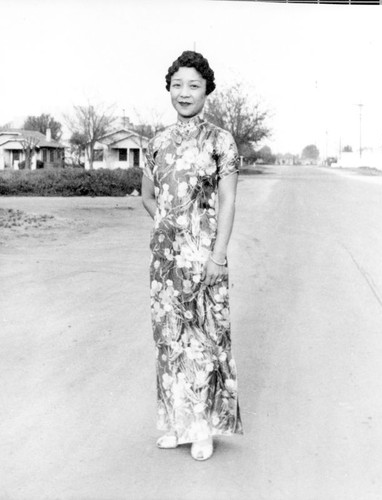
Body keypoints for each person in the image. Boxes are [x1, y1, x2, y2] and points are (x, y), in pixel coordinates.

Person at [142, 50, 243, 461]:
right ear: (169, 88)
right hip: (165, 260)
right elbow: (148, 197)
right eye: (177, 85)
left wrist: (216, 253)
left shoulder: (221, 141)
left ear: (207, 91)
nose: (184, 93)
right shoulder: (155, 142)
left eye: (193, 85)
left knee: (204, 340)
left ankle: (203, 429)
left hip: (205, 257)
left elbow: (229, 201)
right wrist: (171, 224)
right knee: (169, 340)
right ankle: (175, 425)